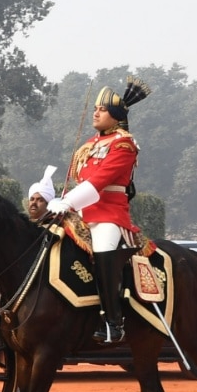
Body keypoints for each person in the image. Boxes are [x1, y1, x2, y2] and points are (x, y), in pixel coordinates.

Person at [47, 77, 151, 344]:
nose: (95, 112)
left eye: (102, 109)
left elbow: (99, 182)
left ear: (115, 116)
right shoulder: (89, 145)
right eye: (95, 108)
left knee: (104, 255)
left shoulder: (124, 144)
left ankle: (113, 321)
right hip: (81, 211)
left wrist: (68, 202)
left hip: (108, 215)